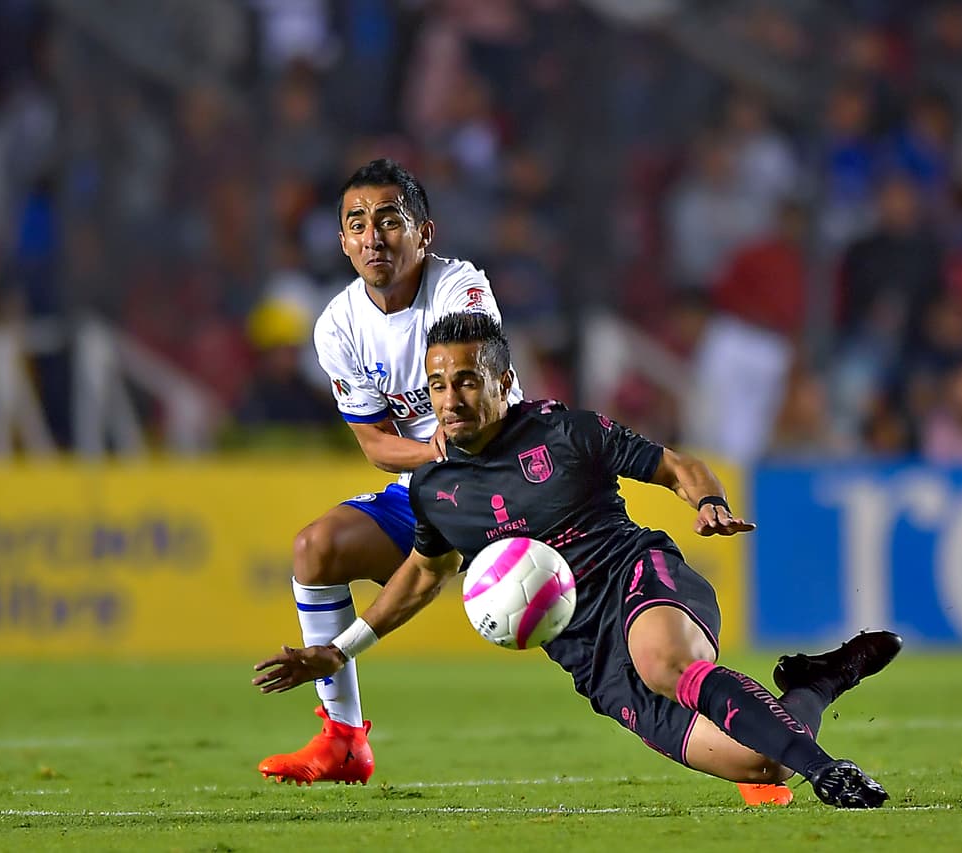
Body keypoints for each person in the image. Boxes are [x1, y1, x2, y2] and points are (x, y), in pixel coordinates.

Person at [253, 312, 902, 808]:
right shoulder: (434, 488)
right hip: (589, 655)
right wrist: (341, 649)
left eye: (467, 381)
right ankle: (824, 679)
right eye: (438, 385)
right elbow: (424, 574)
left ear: (502, 382)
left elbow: (675, 465)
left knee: (665, 664)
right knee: (762, 764)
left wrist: (707, 500)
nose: (449, 400)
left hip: (637, 579)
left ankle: (830, 772)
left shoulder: (566, 432)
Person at [256, 160, 523, 786]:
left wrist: (450, 448)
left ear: (424, 233)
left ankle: (732, 731)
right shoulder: (337, 325)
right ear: (342, 241)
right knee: (315, 548)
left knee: (596, 626)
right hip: (432, 484)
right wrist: (433, 456)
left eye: (388, 220)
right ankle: (343, 740)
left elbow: (474, 398)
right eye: (357, 224)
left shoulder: (460, 289)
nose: (372, 237)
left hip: (511, 476)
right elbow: (376, 443)